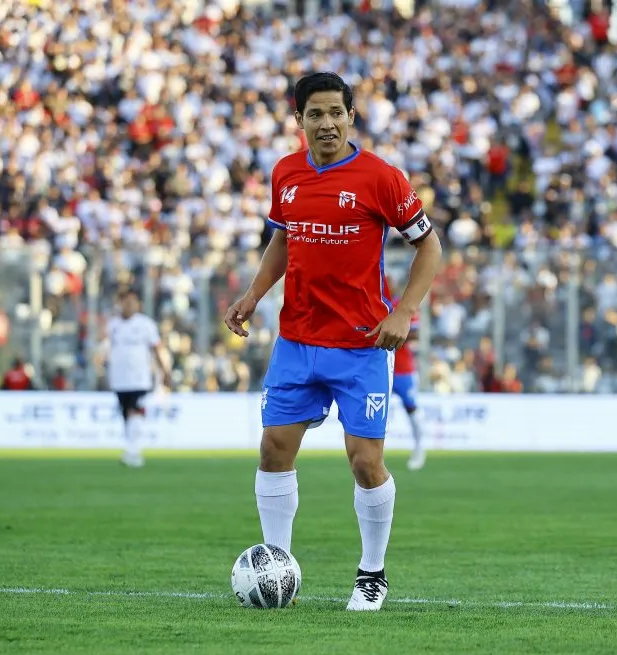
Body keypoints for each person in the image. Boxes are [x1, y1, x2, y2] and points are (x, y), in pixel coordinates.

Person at [224, 72, 442, 611]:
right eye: (315, 114)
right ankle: (277, 566)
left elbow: (430, 246)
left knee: (365, 461)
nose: (327, 124)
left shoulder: (381, 178)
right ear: (299, 119)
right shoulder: (286, 173)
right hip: (296, 341)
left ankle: (372, 573)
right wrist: (253, 294)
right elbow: (283, 237)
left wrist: (405, 310)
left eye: (336, 113)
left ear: (351, 116)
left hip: (362, 346)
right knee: (274, 450)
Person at [104, 289, 171, 468]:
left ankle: (134, 452)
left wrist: (164, 371)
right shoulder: (113, 325)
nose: (128, 305)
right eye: (125, 302)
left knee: (135, 411)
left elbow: (156, 348)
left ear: (138, 305)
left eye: (132, 302)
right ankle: (132, 449)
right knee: (126, 414)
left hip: (139, 377)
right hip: (119, 378)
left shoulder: (145, 324)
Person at [383, 276, 427, 470]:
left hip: (402, 368)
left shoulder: (402, 305)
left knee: (411, 407)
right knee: (378, 410)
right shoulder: (373, 303)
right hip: (380, 366)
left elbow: (416, 333)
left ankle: (419, 447)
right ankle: (375, 453)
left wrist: (390, 330)